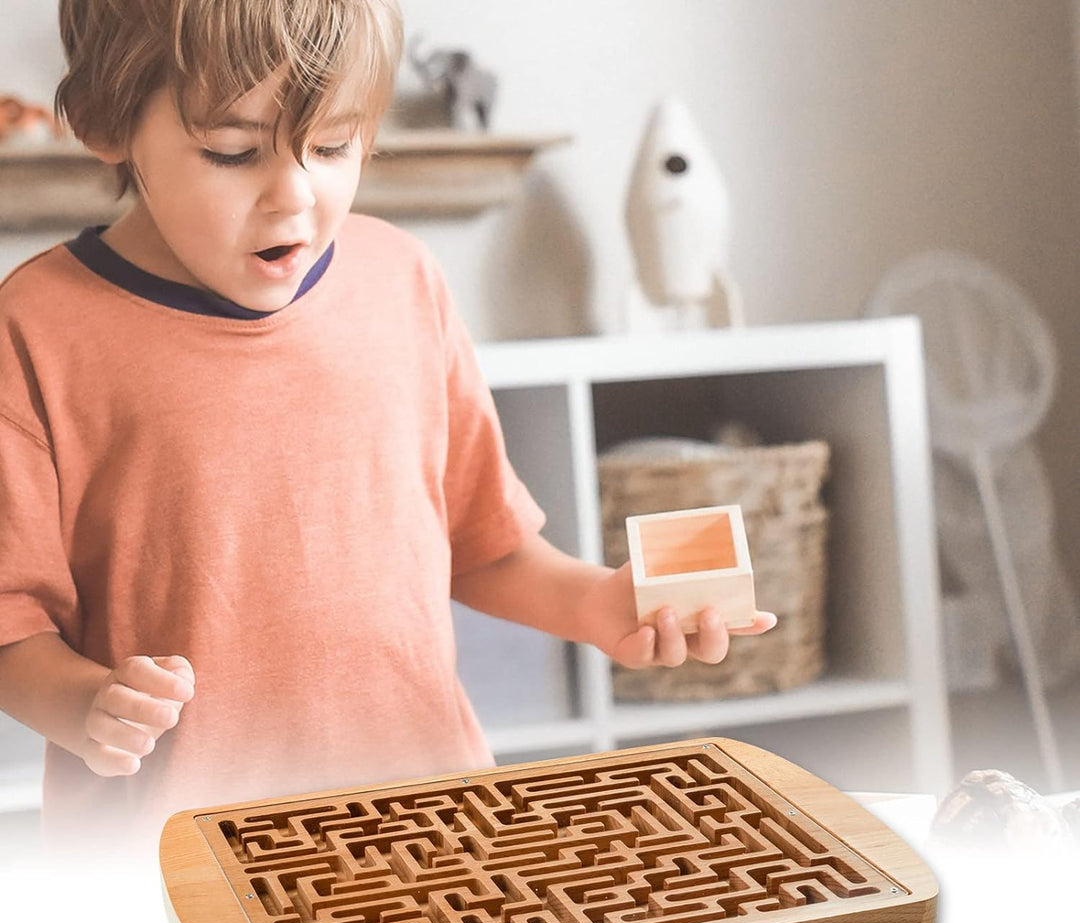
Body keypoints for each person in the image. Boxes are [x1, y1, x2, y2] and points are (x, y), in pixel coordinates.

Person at [0, 0, 775, 858]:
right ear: (106, 124)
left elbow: (481, 542)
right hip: (176, 857)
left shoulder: (403, 279)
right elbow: (10, 623)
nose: (292, 194)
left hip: (432, 821)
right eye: (232, 151)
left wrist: (600, 604)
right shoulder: (36, 330)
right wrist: (86, 706)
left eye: (332, 147)